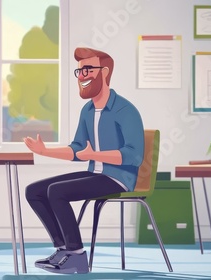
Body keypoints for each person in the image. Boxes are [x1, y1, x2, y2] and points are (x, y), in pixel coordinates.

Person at [24, 47, 144, 274]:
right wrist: (44, 151)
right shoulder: (87, 110)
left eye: (88, 69)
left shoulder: (125, 110)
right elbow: (79, 149)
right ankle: (62, 249)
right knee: (35, 191)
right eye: (79, 71)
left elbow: (134, 156)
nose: (82, 76)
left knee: (56, 192)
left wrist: (94, 156)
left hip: (118, 177)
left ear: (105, 72)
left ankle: (77, 256)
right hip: (95, 173)